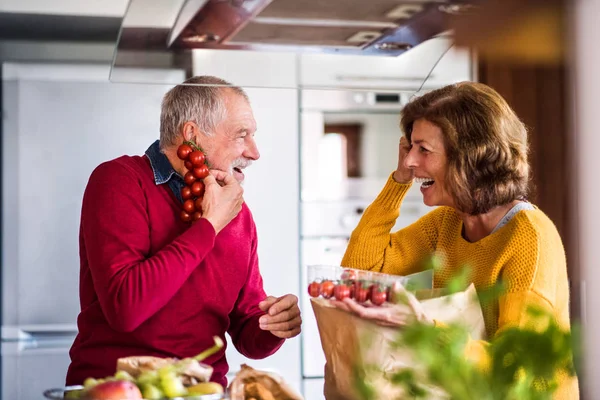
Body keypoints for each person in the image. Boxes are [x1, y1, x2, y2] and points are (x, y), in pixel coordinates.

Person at [335, 82, 578, 397]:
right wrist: (398, 182)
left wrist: (422, 329)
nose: (409, 161)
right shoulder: (446, 223)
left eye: (423, 149)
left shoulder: (528, 237)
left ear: (470, 158)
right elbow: (361, 269)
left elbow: (514, 368)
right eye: (409, 147)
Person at [66, 76, 302, 387]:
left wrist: (273, 326)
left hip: (201, 392)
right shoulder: (119, 181)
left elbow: (246, 333)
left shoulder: (237, 215)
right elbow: (126, 309)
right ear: (191, 135)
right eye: (241, 135)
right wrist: (209, 226)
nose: (255, 152)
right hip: (114, 390)